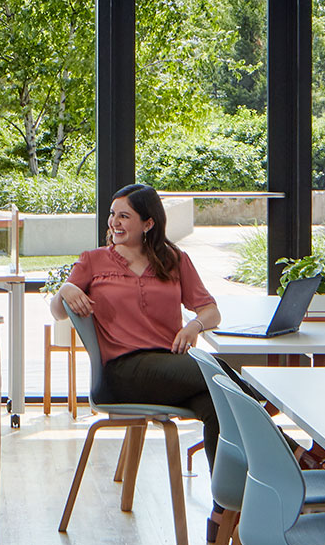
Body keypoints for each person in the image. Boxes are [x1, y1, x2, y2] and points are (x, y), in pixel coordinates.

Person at [52, 183, 223, 468]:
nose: (114, 222)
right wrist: (66, 289)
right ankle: (288, 446)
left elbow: (211, 312)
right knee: (218, 374)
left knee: (218, 407)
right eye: (112, 214)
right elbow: (58, 312)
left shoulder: (174, 260)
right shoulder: (93, 260)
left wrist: (194, 326)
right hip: (122, 373)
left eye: (124, 216)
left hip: (170, 368)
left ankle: (224, 509)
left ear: (148, 223)